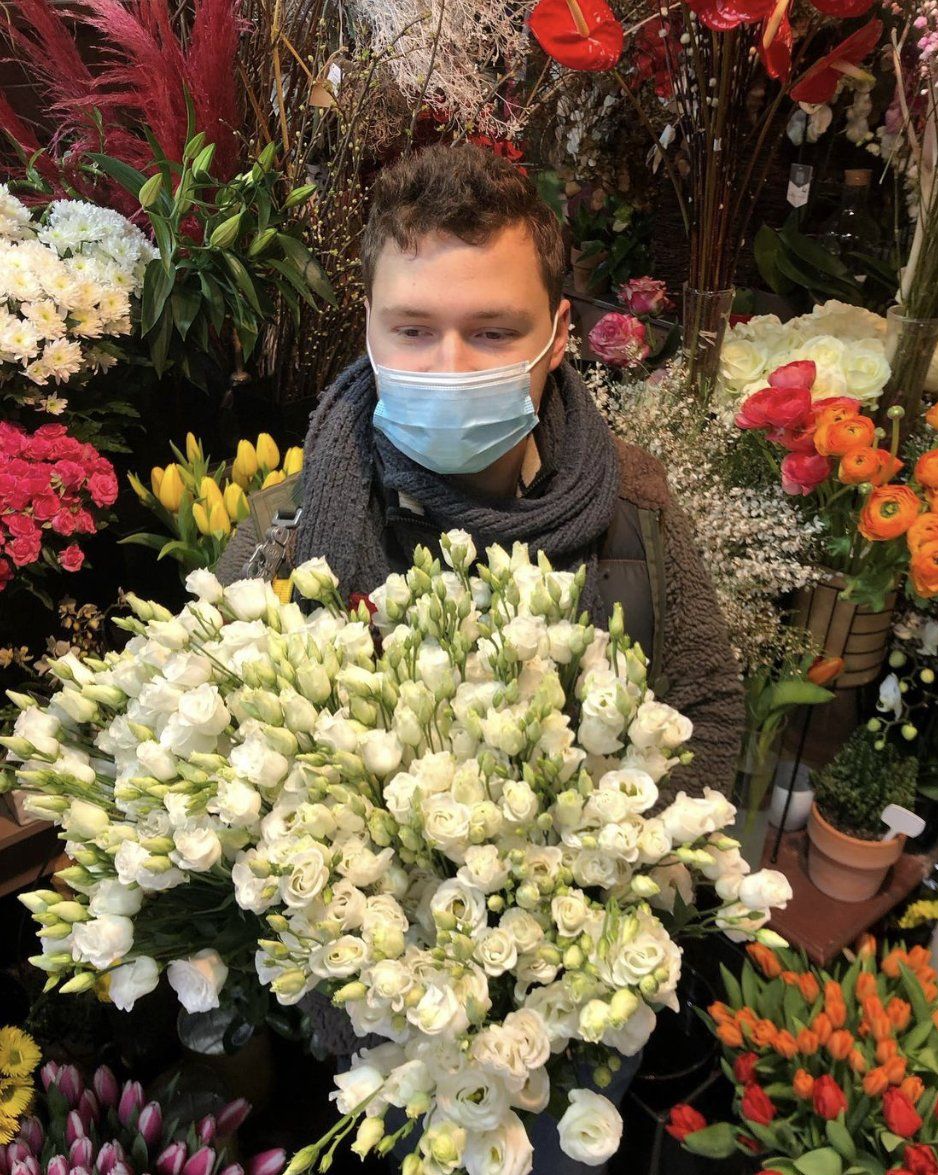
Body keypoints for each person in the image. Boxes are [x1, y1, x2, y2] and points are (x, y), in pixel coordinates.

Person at [216, 142, 743, 1173]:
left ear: (554, 337)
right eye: (411, 330)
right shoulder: (285, 535)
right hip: (368, 1030)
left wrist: (591, 915)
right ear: (366, 329)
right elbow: (231, 749)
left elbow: (709, 701)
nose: (447, 365)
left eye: (491, 331)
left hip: (570, 1014)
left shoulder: (634, 509)